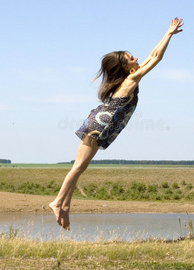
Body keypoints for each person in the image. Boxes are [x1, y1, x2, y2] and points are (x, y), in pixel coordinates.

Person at [49, 17, 184, 230]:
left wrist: (167, 32)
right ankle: (57, 202)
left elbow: (150, 55)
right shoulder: (130, 80)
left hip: (99, 124)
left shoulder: (129, 79)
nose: (137, 58)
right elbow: (156, 58)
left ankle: (65, 206)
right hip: (98, 125)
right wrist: (168, 35)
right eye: (132, 58)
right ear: (126, 67)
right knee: (77, 167)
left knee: (81, 168)